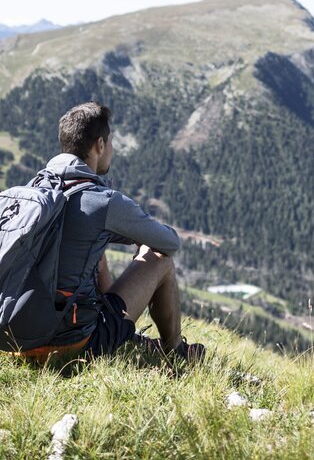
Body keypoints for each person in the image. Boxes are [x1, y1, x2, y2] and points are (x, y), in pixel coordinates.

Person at [23, 101, 205, 365]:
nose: (111, 149)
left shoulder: (33, 191)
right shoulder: (103, 201)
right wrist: (139, 236)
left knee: (94, 247)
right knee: (159, 258)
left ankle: (119, 329)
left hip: (14, 337)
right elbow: (169, 243)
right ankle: (175, 352)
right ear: (99, 145)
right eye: (110, 142)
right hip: (70, 344)